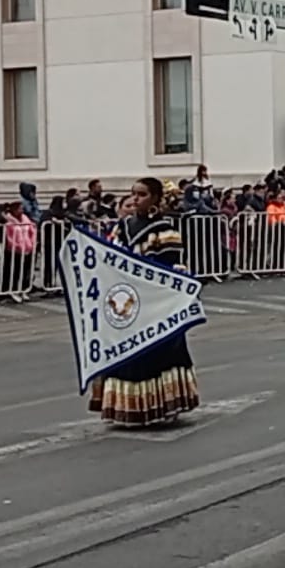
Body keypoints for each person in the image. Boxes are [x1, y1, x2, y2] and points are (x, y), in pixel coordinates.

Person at [88, 178, 201, 426]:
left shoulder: (165, 231)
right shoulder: (122, 227)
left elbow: (167, 269)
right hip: (126, 301)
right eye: (133, 194)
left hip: (154, 305)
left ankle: (161, 405)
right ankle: (125, 407)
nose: (136, 199)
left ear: (155, 199)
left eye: (142, 194)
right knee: (125, 353)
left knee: (157, 354)